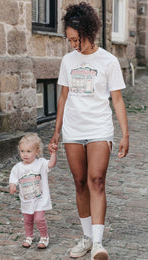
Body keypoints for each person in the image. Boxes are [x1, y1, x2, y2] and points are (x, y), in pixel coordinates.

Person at [49, 2, 129, 260]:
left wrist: (125, 134)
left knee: (97, 181)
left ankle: (97, 243)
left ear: (89, 32)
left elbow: (117, 100)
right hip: (73, 129)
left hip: (99, 128)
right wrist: (56, 131)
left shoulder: (108, 60)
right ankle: (85, 238)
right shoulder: (67, 61)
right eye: (69, 39)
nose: (73, 44)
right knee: (80, 182)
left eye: (77, 39)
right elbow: (63, 97)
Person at [9, 133, 57, 249]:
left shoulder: (40, 163)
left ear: (36, 151)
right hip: (26, 200)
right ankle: (29, 236)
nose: (25, 154)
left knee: (39, 218)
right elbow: (13, 178)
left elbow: (51, 164)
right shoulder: (18, 167)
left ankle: (44, 237)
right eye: (22, 151)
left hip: (40, 199)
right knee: (28, 219)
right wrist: (12, 185)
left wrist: (53, 154)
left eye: (29, 151)